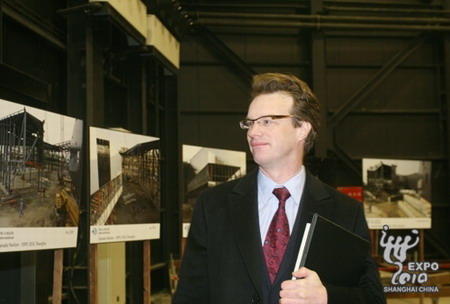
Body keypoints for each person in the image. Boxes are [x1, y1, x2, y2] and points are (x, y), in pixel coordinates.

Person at [173, 73, 386, 304]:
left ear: (302, 128)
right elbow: (190, 295)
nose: (253, 132)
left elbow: (373, 298)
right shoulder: (213, 204)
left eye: (267, 121)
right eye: (250, 122)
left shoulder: (345, 211)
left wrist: (326, 297)